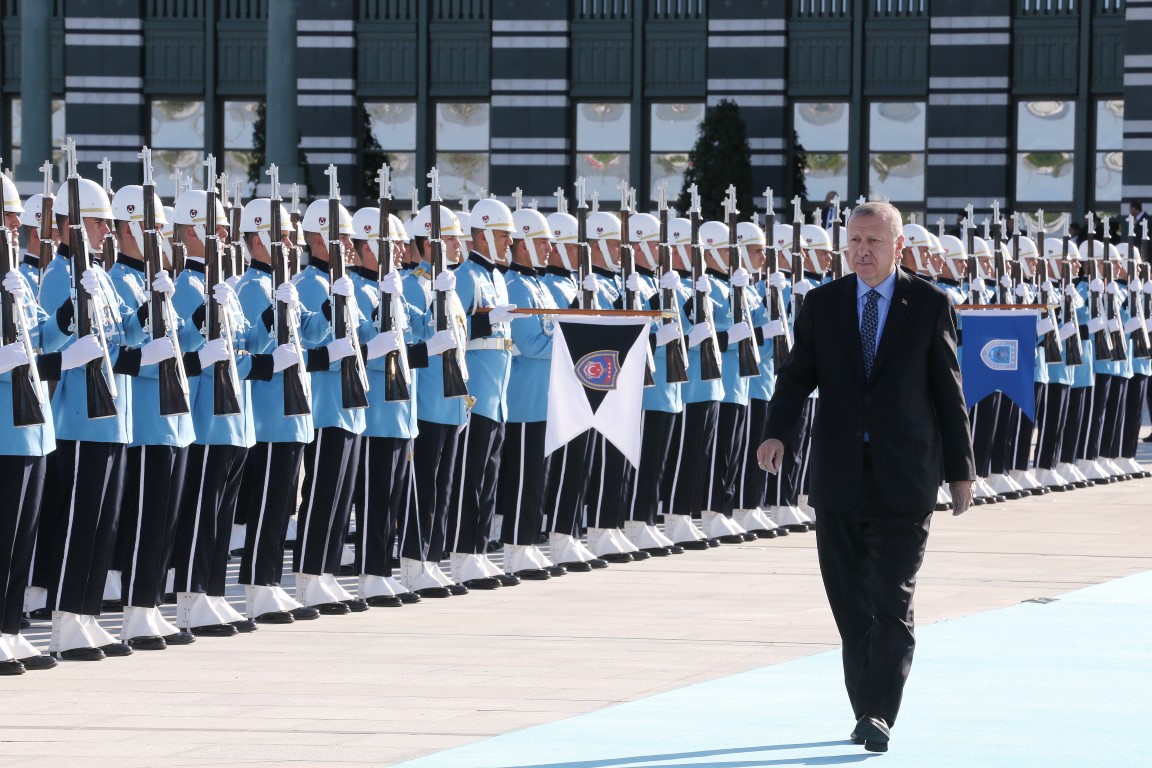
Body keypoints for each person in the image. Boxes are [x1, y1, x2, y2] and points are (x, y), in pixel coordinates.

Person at [757, 201, 975, 753]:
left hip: (906, 477)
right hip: (839, 476)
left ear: (898, 247)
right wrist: (776, 433)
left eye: (874, 241)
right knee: (851, 602)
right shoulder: (823, 304)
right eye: (854, 241)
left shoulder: (929, 304)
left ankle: (879, 712)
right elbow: (796, 377)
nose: (862, 251)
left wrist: (961, 472)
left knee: (891, 598)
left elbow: (949, 392)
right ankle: (865, 709)